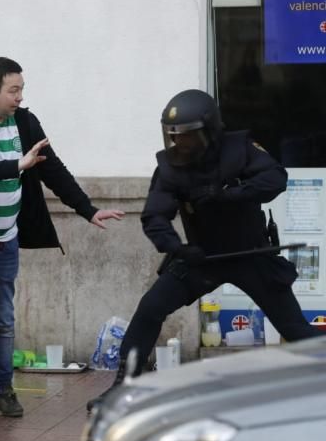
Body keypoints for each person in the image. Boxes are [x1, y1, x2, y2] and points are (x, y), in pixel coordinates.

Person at [87, 89, 322, 411]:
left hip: (251, 254)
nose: (180, 144)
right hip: (200, 258)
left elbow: (275, 179)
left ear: (209, 131)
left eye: (187, 136)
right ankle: (121, 387)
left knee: (293, 327)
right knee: (149, 311)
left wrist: (233, 194)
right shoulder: (170, 167)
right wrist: (177, 249)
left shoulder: (240, 149)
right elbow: (155, 216)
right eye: (174, 137)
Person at [0, 57, 124, 426]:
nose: (20, 97)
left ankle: (2, 390)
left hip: (4, 242)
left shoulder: (25, 122)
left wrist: (88, 209)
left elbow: (52, 169)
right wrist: (17, 166)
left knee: (2, 321)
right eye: (13, 90)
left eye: (22, 90)